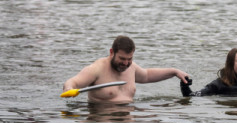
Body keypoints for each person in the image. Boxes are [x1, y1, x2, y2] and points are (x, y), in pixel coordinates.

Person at [62, 36, 190, 104]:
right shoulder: (97, 69)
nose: (125, 63)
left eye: (129, 59)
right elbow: (73, 82)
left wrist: (174, 72)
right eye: (122, 58)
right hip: (102, 120)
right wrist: (69, 89)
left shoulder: (131, 67)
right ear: (112, 52)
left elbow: (147, 75)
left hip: (129, 118)